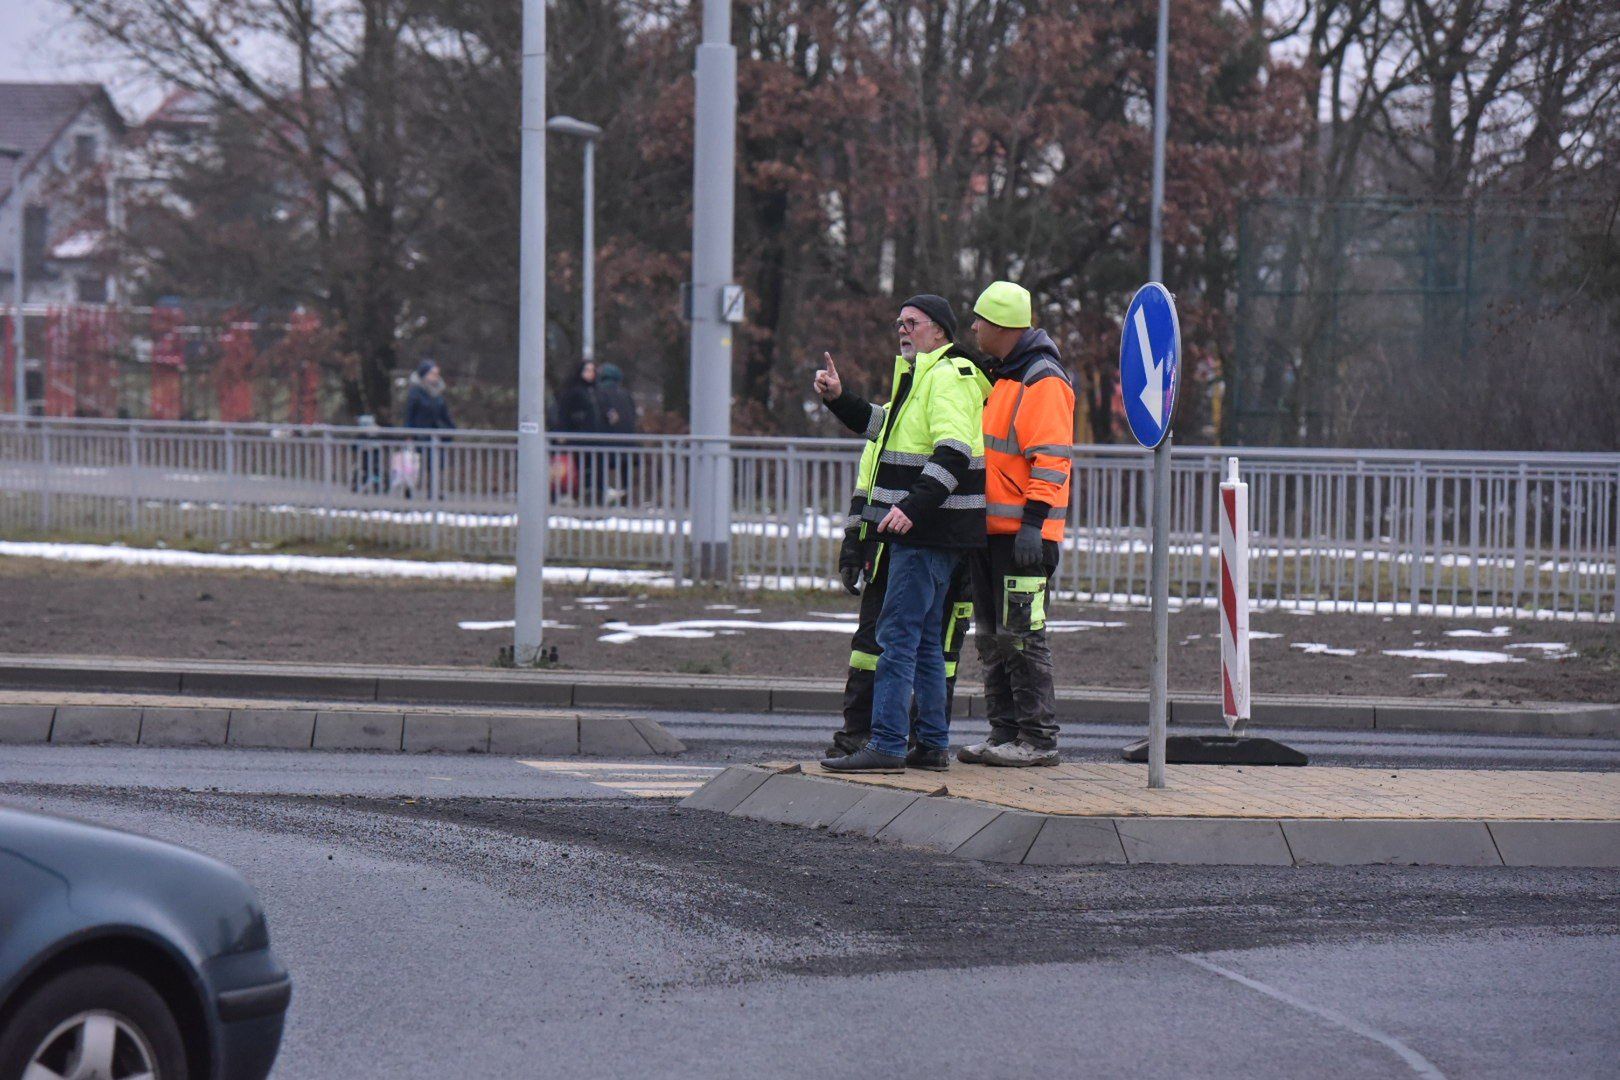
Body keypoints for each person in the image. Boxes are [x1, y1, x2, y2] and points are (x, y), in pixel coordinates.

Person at [817, 295, 990, 774]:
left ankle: (889, 745)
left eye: (912, 323)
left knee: (896, 639)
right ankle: (930, 746)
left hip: (925, 534)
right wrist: (838, 398)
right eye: (899, 323)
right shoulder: (922, 378)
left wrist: (909, 509)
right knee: (928, 643)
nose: (902, 330)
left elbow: (953, 453)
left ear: (939, 331)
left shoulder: (946, 378)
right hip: (932, 534)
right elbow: (882, 426)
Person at [959, 281, 1075, 767]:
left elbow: (1050, 459)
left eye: (981, 320)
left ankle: (1037, 739)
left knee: (1022, 636)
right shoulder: (1007, 373)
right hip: (995, 534)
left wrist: (1032, 524)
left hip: (1023, 538)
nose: (974, 327)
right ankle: (1005, 733)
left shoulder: (1041, 378)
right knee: (993, 636)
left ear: (1002, 326)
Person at [403, 360, 455, 496]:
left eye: (437, 374)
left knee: (436, 463)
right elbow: (410, 414)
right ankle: (410, 488)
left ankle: (433, 491)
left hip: (437, 434)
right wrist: (408, 434)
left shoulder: (438, 393)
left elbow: (444, 414)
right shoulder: (415, 392)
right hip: (420, 434)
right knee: (416, 463)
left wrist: (451, 429)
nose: (435, 376)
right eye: (432, 373)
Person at [555, 360, 604, 502]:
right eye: (587, 370)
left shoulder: (596, 391)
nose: (590, 374)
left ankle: (593, 494)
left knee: (594, 467)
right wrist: (562, 431)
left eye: (592, 370)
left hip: (595, 436)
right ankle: (576, 494)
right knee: (580, 467)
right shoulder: (574, 391)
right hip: (579, 435)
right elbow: (564, 413)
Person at [595, 362, 639, 504]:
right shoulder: (626, 394)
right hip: (627, 443)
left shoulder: (599, 393)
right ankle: (626, 498)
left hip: (606, 442)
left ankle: (600, 497)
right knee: (625, 473)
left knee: (599, 469)